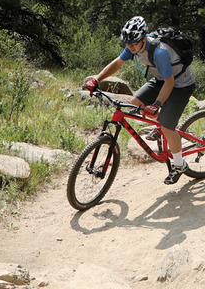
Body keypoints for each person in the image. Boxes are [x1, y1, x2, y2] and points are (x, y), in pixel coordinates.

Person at [84, 16, 196, 185]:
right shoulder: (134, 45)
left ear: (143, 39)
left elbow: (170, 82)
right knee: (135, 102)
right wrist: (97, 79)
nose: (130, 47)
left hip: (180, 85)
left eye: (134, 43)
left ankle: (180, 164)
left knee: (166, 124)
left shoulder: (159, 52)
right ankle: (164, 127)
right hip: (161, 79)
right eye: (127, 43)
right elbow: (117, 63)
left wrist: (157, 105)